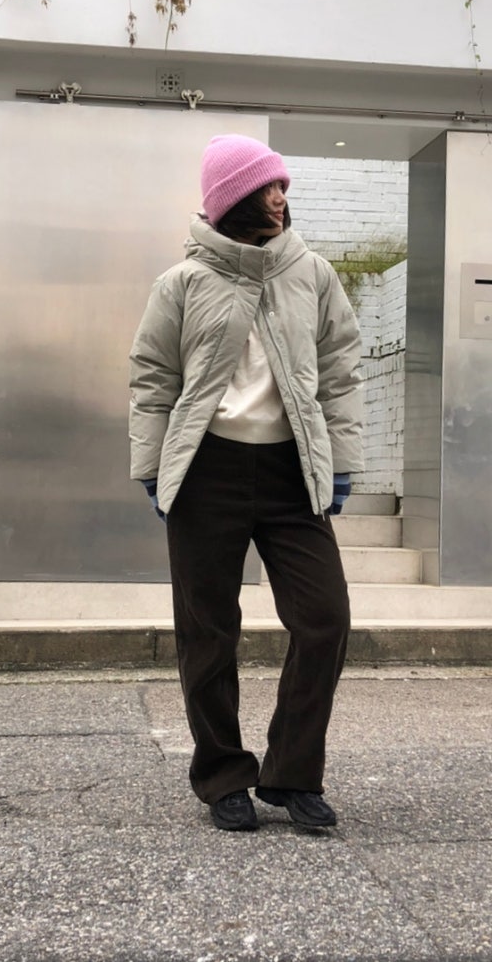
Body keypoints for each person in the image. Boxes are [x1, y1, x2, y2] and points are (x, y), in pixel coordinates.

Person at [129, 134, 363, 832]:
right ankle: (223, 775)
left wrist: (339, 462)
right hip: (207, 471)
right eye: (269, 186)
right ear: (233, 196)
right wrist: (153, 468)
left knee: (324, 619)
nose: (281, 197)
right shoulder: (182, 282)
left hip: (293, 472)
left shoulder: (312, 273)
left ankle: (291, 774)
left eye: (283, 186)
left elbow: (339, 371)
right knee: (207, 630)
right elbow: (153, 378)